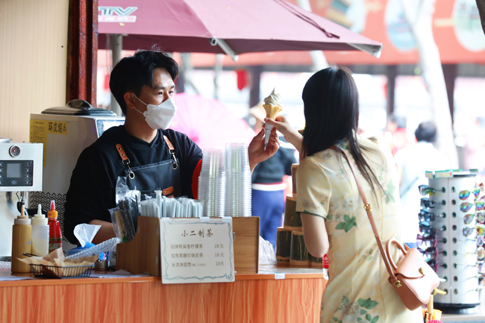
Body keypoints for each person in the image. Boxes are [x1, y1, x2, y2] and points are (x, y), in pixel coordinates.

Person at [64, 50, 279, 245]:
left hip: (179, 257)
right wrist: (136, 232)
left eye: (171, 92)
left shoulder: (179, 145)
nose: (170, 102)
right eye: (160, 94)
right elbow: (76, 226)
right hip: (123, 267)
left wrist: (249, 160)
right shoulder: (101, 156)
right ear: (131, 100)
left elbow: (210, 190)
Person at [266, 67, 422, 322]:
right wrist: (294, 138)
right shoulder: (379, 149)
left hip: (352, 309)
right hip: (400, 306)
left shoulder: (312, 169)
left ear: (312, 111)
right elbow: (342, 160)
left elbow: (318, 248)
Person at [394, 121, 451, 248]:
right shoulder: (441, 158)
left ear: (416, 135)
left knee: (407, 262)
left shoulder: (403, 154)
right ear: (434, 138)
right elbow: (445, 191)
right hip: (431, 219)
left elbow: (395, 184)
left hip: (405, 216)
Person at [248, 103, 297, 248]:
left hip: (259, 193)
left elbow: (252, 172)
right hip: (278, 193)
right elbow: (290, 169)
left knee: (255, 236)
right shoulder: (284, 143)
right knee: (272, 237)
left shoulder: (258, 140)